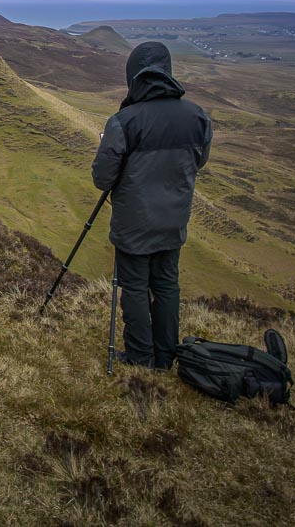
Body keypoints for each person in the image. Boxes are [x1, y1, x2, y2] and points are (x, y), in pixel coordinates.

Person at [92, 42, 212, 369]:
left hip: (134, 224)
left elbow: (103, 179)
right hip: (173, 220)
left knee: (134, 287)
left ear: (134, 77)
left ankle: (139, 357)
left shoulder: (125, 121)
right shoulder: (197, 116)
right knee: (166, 286)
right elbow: (198, 161)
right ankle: (165, 357)